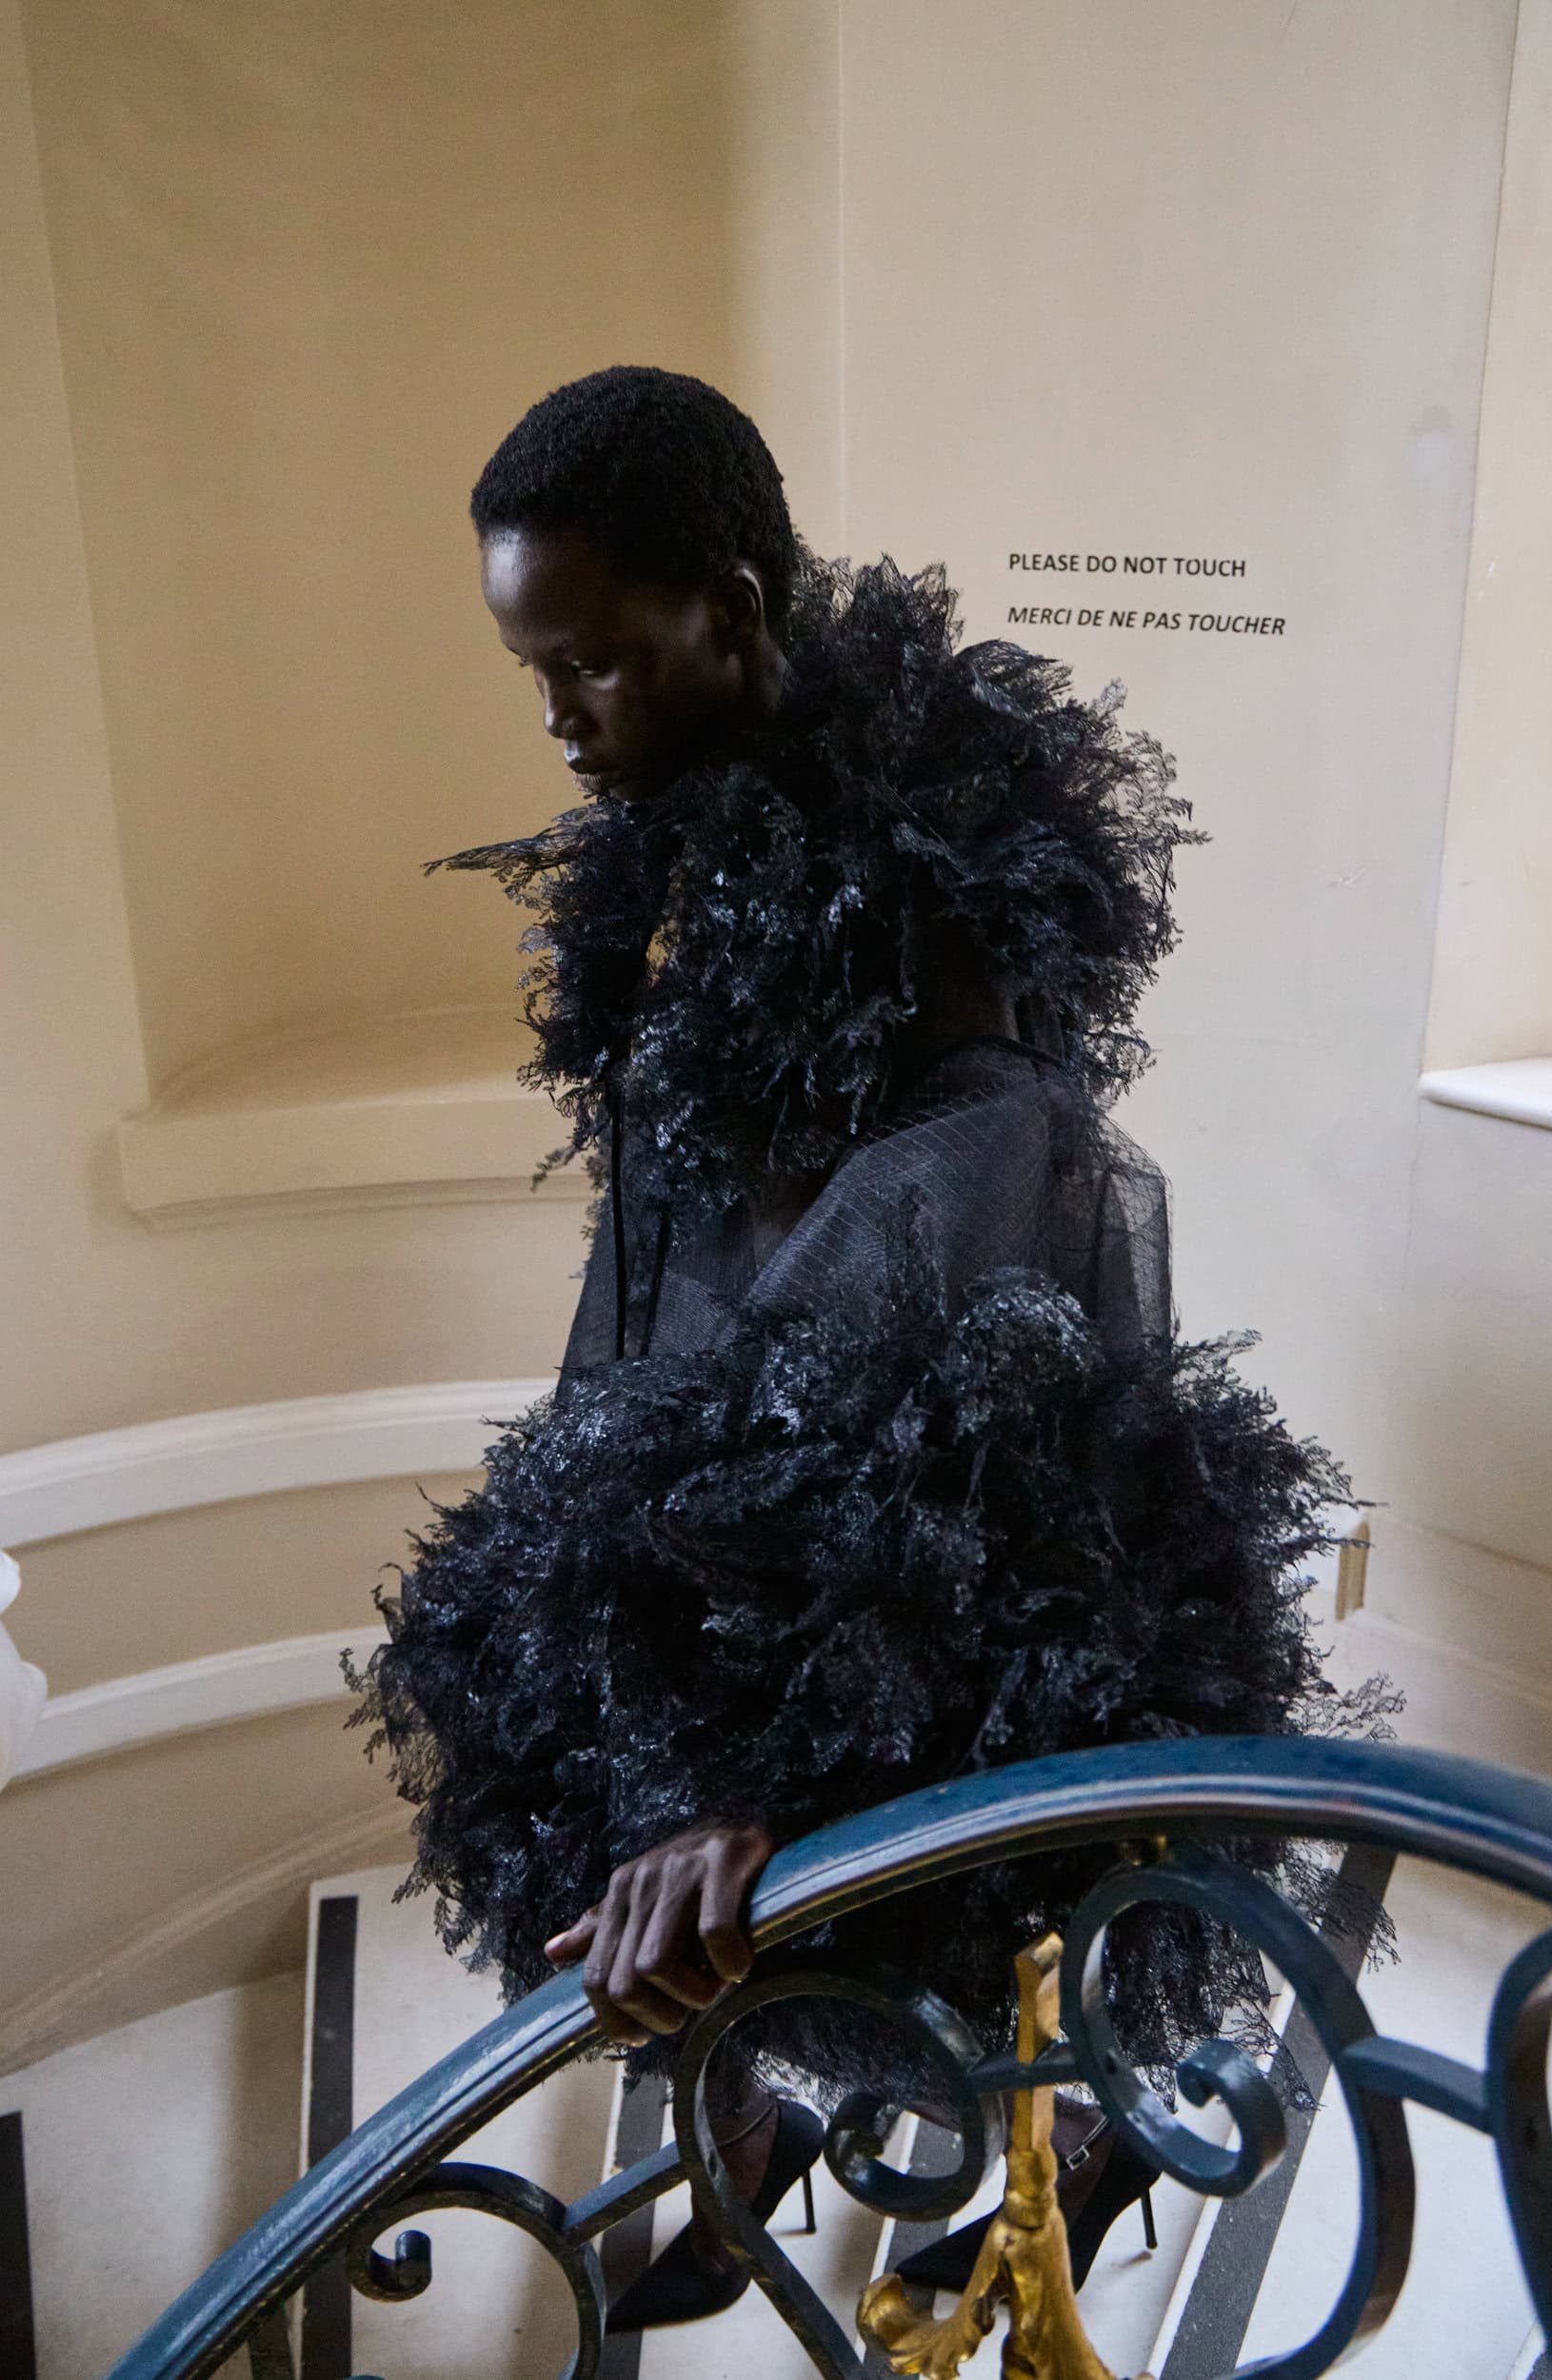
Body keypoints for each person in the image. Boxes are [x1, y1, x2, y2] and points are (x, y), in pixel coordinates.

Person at [353, 366, 1389, 2328]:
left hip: (927, 1491)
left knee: (960, 1866)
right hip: (748, 1408)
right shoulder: (698, 823)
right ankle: (742, 2110)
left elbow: (917, 1303)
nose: (561, 714)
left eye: (592, 661)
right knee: (562, 1730)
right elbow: (686, 1239)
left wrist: (740, 1739)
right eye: (537, 671)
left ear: (734, 614)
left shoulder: (908, 898)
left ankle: (1074, 2159)